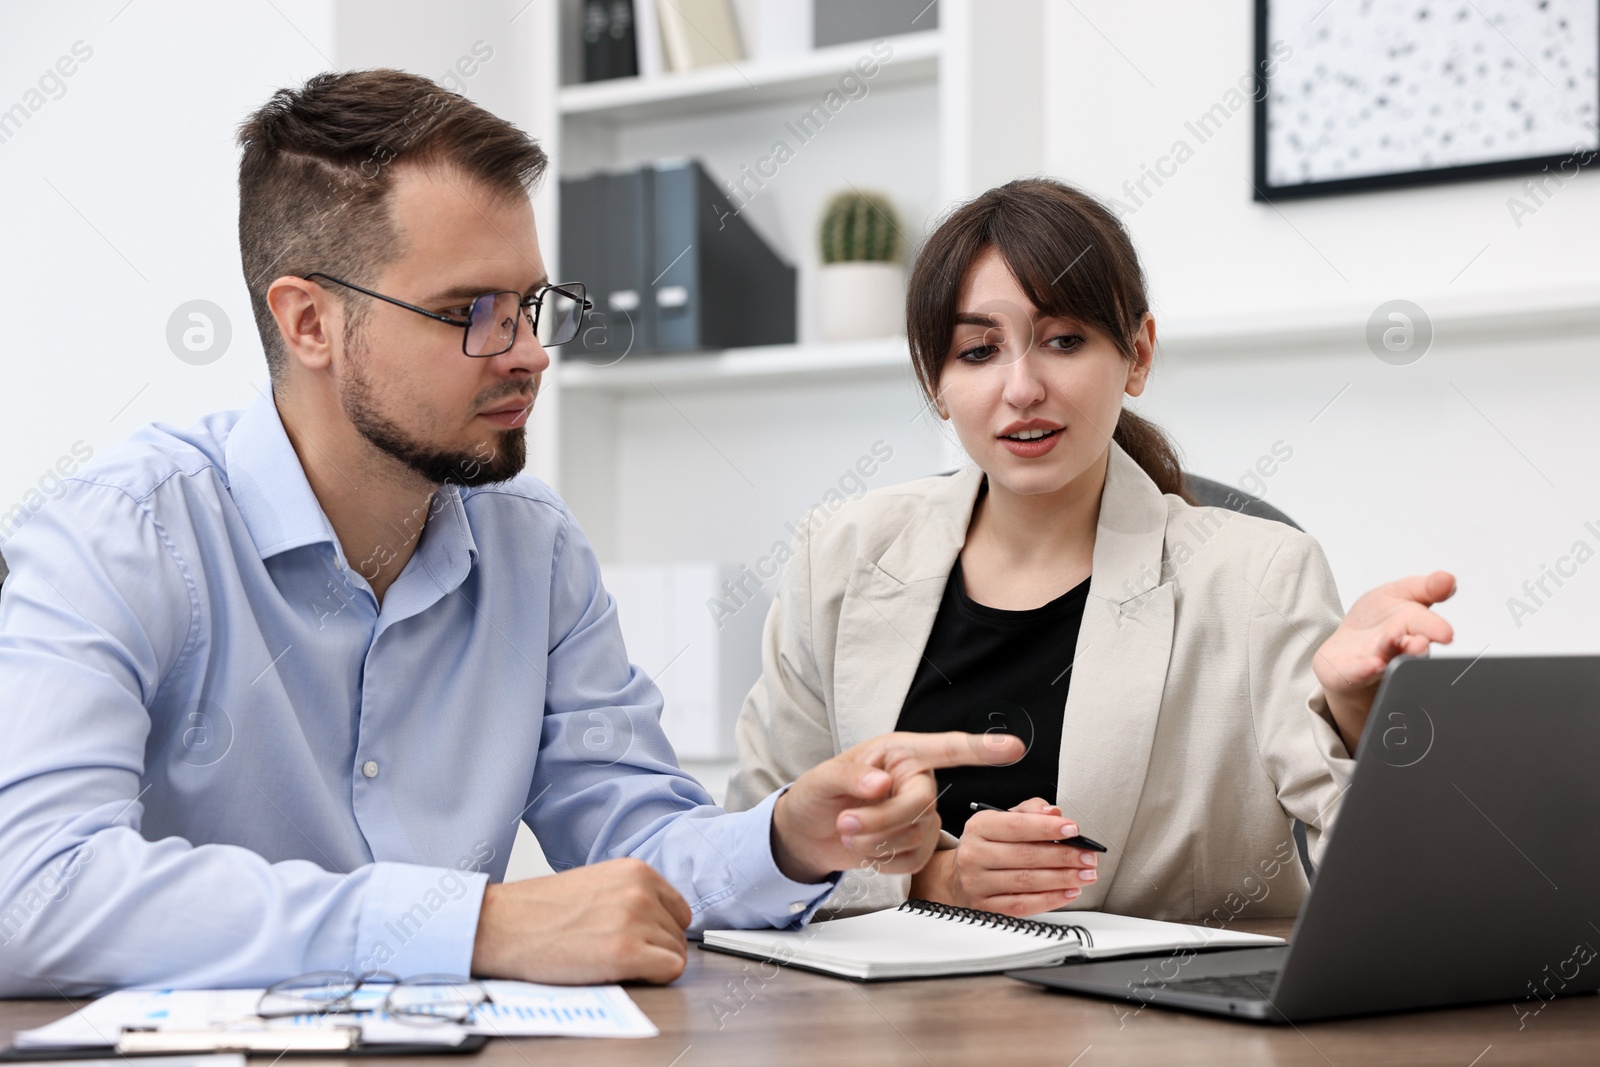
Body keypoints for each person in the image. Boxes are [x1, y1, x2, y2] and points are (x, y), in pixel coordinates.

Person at [0, 69, 1020, 998]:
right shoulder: (119, 536)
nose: (530, 354)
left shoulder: (533, 547)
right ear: (308, 322)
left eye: (530, 304)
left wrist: (791, 839)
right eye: (471, 311)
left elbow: (638, 843)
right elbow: (31, 890)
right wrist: (468, 923)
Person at [725, 177, 1457, 922]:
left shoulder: (1258, 575)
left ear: (1136, 355)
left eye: (1064, 340)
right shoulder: (841, 556)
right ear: (937, 383)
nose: (1021, 387)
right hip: (882, 1030)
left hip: (1159, 1028)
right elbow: (748, 848)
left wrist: (1361, 711)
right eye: (979, 351)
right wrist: (934, 877)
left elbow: (1400, 891)